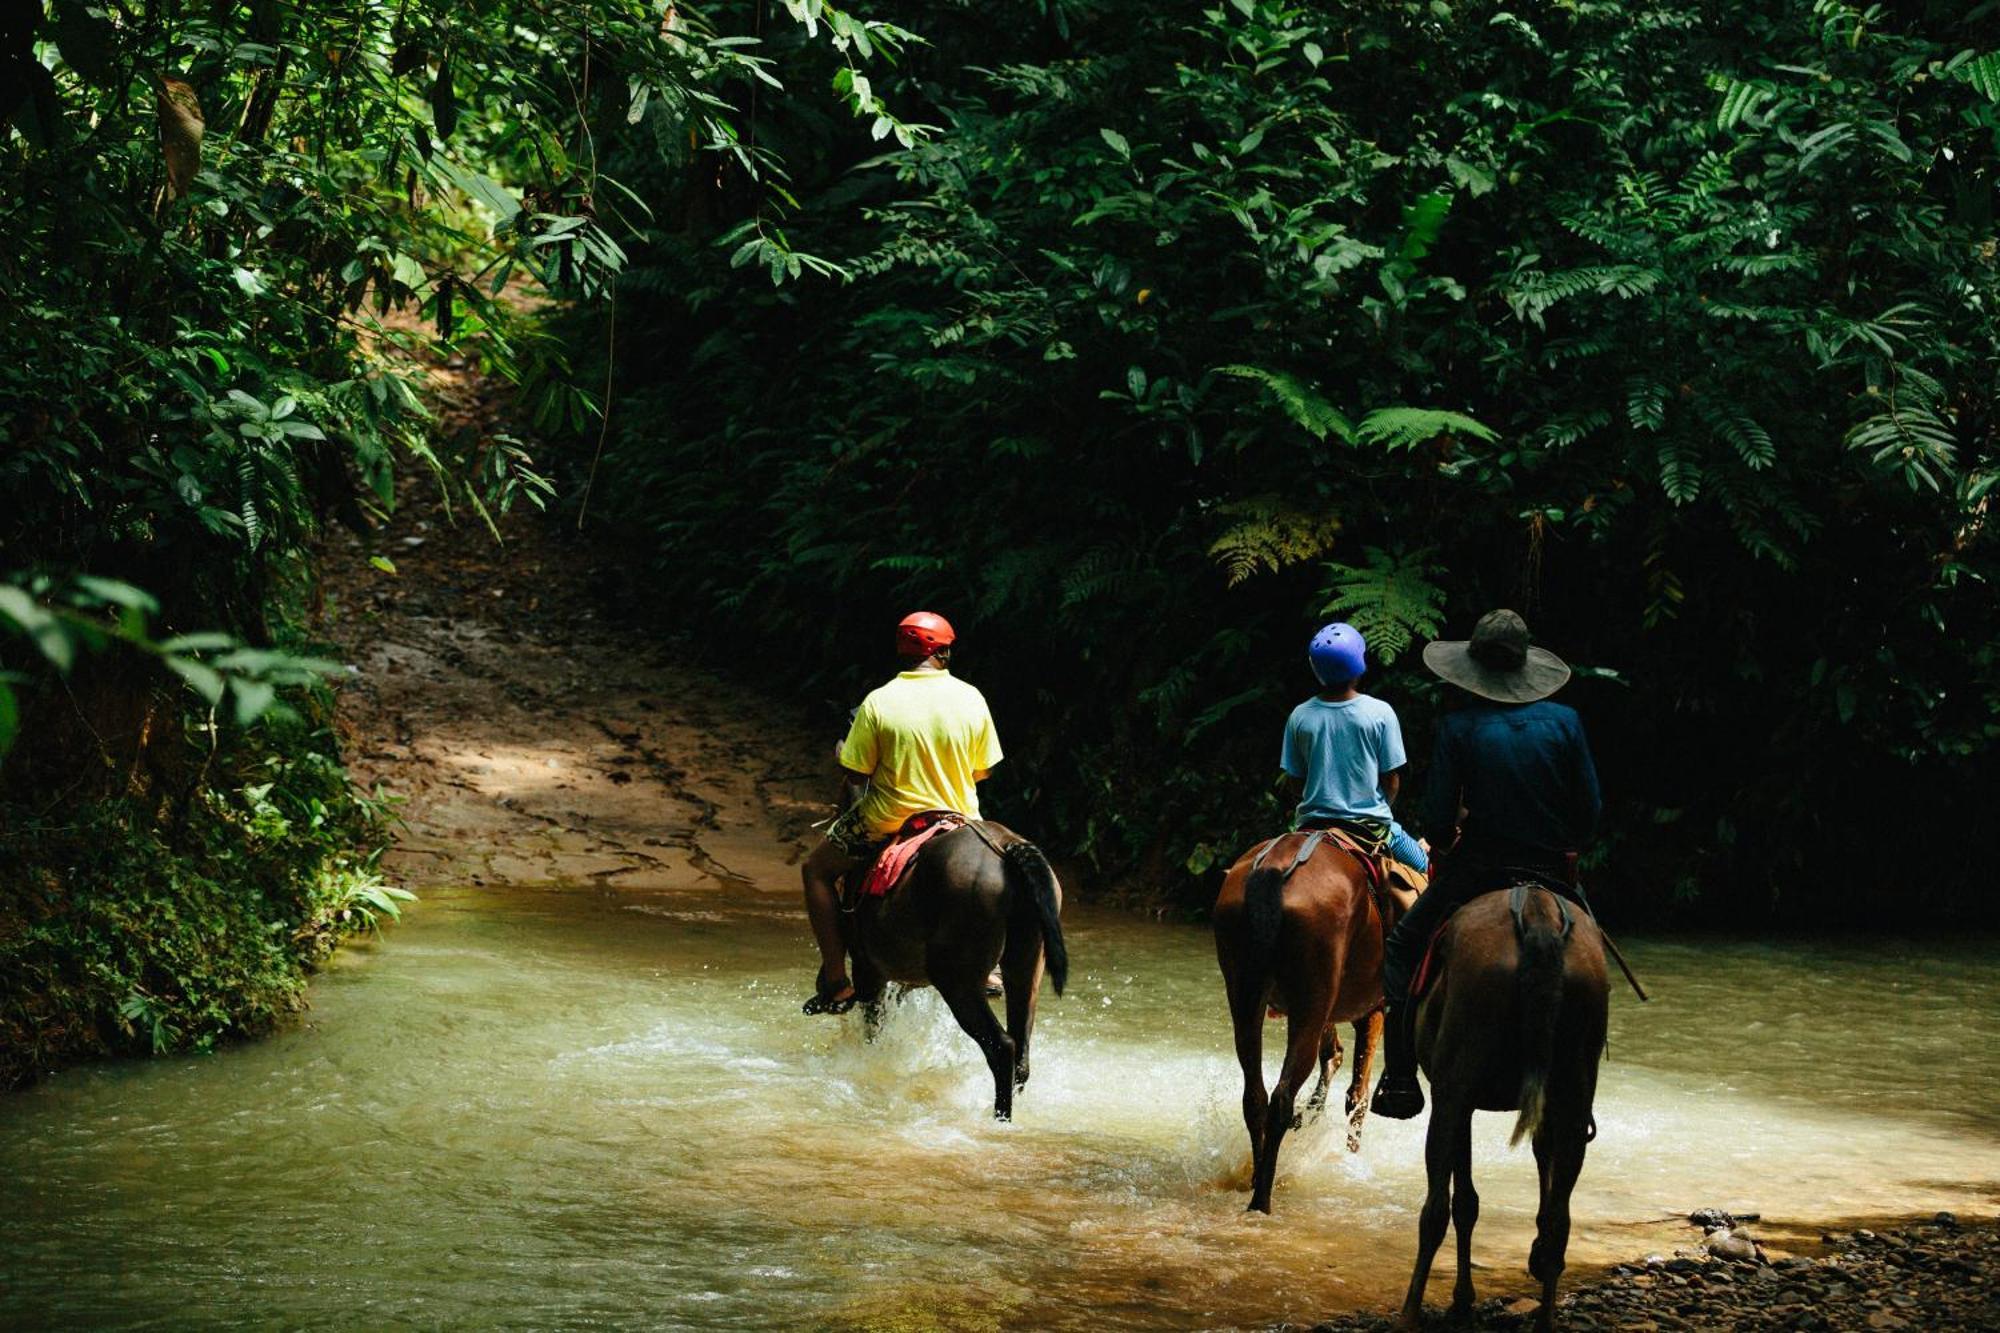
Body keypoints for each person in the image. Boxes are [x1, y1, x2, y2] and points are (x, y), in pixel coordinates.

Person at [1370, 608, 1602, 1119]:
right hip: (1550, 872)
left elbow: (1434, 822)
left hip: (1477, 870)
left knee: (1404, 946)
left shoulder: (1459, 726)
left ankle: (1401, 1077)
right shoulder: (1567, 722)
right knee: (1594, 957)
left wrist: (1450, 837)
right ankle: (1580, 1100)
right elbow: (1589, 815)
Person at [801, 611, 1004, 1015]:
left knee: (816, 870)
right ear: (943, 651)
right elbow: (984, 770)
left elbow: (855, 771)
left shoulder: (878, 701)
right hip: (961, 819)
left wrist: (845, 754)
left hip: (885, 818)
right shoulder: (971, 697)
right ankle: (991, 967)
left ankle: (836, 979)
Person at [1280, 622, 1427, 873]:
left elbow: (1295, 781)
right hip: (1370, 827)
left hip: (1311, 826)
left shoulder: (1300, 716)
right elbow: (1391, 780)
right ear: (1360, 665)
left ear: (1316, 669)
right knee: (1425, 866)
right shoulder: (1380, 712)